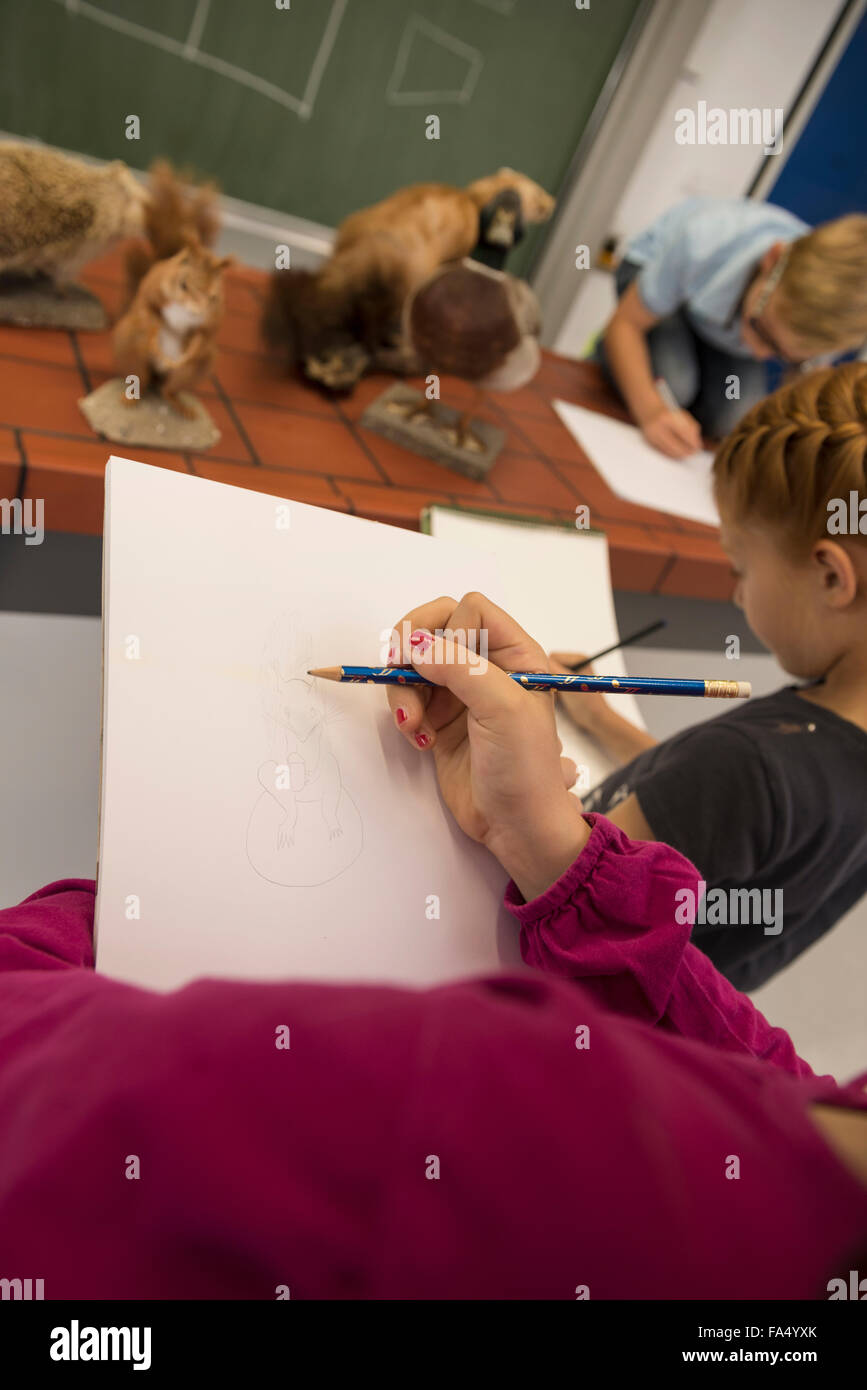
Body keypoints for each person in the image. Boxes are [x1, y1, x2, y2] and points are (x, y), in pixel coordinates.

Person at [1, 592, 866, 1300]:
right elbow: (774, 1086)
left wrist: (138, 891)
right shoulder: (808, 1147)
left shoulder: (489, 1111)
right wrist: (551, 850)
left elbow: (46, 1091)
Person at [552, 363, 867, 992]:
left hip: (571, 996)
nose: (736, 595)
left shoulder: (750, 764)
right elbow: (699, 812)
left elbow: (567, 893)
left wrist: (510, 735)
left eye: (740, 566)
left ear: (832, 576)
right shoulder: (812, 747)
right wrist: (598, 716)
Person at [595, 196, 867, 457]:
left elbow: (800, 392)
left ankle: (687, 375)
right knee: (675, 385)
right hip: (653, 282)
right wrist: (652, 412)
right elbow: (626, 326)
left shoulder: (832, 318)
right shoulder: (702, 241)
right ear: (771, 262)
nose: (760, 355)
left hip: (723, 320)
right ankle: (613, 358)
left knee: (734, 418)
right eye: (764, 333)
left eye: (781, 354)